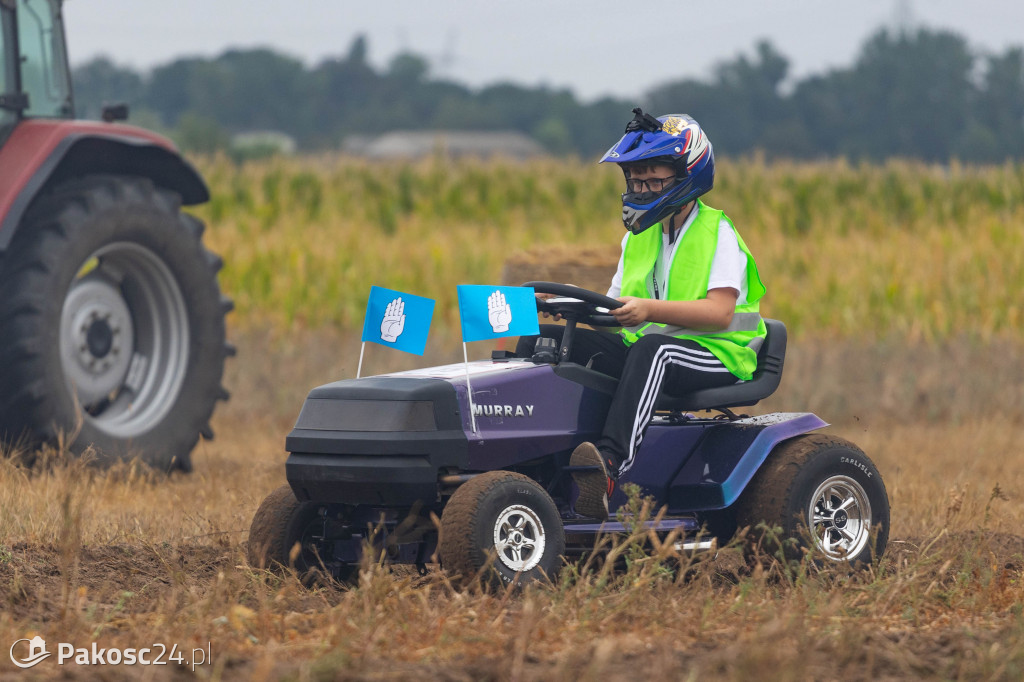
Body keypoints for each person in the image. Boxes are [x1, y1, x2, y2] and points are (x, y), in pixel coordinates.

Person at [515, 108, 766, 520]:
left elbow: (721, 313)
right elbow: (612, 307)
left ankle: (608, 467)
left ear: (687, 174)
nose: (643, 188)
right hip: (648, 347)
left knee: (654, 349)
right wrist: (564, 308)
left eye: (653, 179)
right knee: (545, 338)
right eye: (637, 180)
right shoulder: (639, 239)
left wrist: (649, 309)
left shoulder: (717, 232)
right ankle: (532, 457)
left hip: (719, 352)